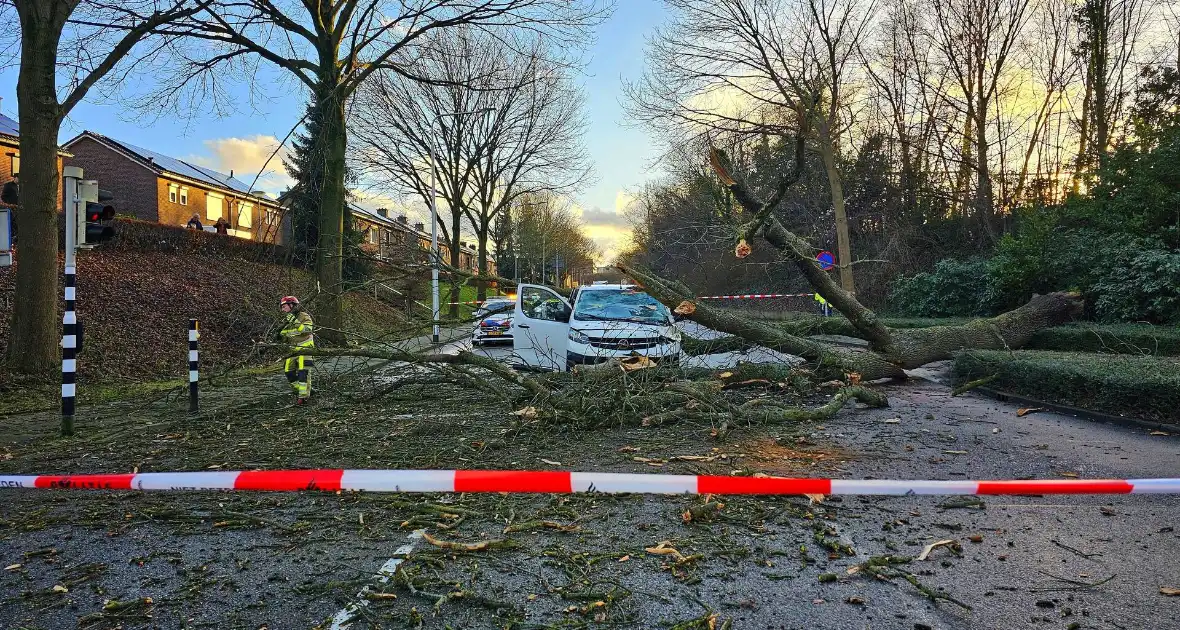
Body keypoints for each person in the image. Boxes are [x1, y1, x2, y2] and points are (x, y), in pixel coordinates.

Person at [278, 296, 315, 405]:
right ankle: (303, 391)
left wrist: (295, 322)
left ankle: (303, 398)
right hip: (292, 351)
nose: (282, 309)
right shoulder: (287, 320)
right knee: (288, 371)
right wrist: (279, 335)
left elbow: (307, 330)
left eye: (284, 307)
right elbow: (287, 335)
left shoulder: (304, 316)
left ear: (291, 305)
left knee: (304, 374)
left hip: (305, 350)